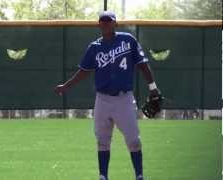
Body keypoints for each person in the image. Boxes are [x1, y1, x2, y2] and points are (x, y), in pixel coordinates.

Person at [54, 11, 161, 180]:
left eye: (108, 21)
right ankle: (103, 176)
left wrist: (153, 88)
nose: (105, 24)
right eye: (102, 21)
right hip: (102, 100)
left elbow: (143, 65)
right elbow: (83, 72)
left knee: (133, 140)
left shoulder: (127, 40)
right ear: (98, 25)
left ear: (115, 24)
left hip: (124, 99)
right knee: (102, 141)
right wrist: (66, 86)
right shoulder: (94, 47)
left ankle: (139, 175)